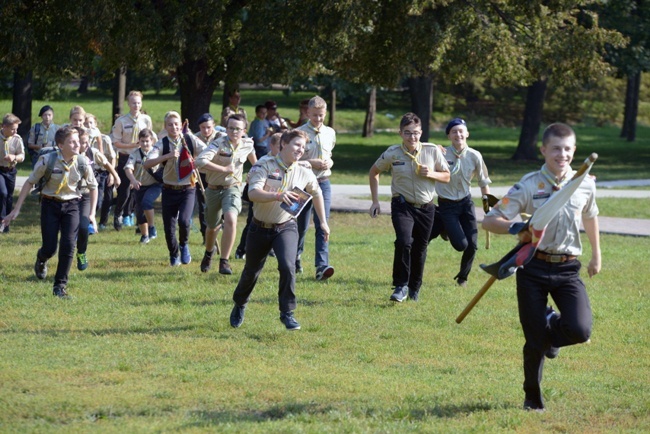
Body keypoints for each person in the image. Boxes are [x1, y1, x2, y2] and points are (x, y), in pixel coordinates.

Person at [482, 122, 600, 412]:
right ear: (543, 150)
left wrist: (597, 254)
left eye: (568, 149)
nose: (562, 154)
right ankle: (532, 397)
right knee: (534, 340)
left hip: (567, 268)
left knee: (581, 330)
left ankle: (551, 327)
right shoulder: (530, 184)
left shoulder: (585, 183)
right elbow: (489, 220)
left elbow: (590, 217)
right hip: (533, 268)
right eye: (556, 148)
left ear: (574, 151)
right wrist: (517, 228)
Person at [229, 130, 330, 331]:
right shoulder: (264, 165)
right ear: (283, 144)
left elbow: (317, 194)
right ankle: (240, 303)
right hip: (259, 227)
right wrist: (277, 196)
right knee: (251, 271)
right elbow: (253, 193)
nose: (300, 150)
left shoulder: (304, 170)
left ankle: (287, 313)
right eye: (296, 145)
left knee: (287, 266)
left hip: (286, 226)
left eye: (303, 147)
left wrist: (323, 222)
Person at [2, 126, 97, 298]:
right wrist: (16, 209)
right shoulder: (47, 160)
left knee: (68, 245)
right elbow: (29, 183)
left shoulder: (82, 162)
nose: (77, 145)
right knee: (50, 247)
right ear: (61, 145)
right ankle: (41, 258)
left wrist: (91, 215)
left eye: (78, 141)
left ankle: (59, 286)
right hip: (50, 205)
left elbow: (93, 187)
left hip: (72, 205)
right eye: (72, 142)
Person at [369, 112, 450, 302]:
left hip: (426, 207)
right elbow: (374, 172)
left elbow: (446, 177)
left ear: (421, 132)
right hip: (402, 205)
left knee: (420, 248)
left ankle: (415, 288)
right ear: (400, 133)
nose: (411, 137)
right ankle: (400, 286)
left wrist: (431, 173)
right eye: (407, 133)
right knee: (404, 241)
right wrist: (375, 201)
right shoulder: (392, 153)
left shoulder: (432, 151)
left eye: (415, 133)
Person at [429, 118, 491, 287]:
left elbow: (484, 183)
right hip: (446, 206)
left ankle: (463, 278)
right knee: (461, 245)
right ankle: (443, 226)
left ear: (467, 134)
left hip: (466, 203)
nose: (458, 134)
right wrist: (433, 148)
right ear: (449, 135)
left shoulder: (475, 155)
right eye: (454, 131)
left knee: (472, 245)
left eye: (461, 131)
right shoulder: (440, 154)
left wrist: (488, 210)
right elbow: (421, 156)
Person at [195, 114, 256, 274]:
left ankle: (224, 261)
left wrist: (255, 174)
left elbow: (256, 165)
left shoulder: (247, 144)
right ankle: (209, 253)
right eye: (230, 128)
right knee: (211, 227)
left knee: (230, 218)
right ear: (226, 128)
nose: (234, 131)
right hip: (213, 189)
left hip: (232, 188)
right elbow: (199, 161)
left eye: (237, 128)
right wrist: (224, 169)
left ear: (244, 130)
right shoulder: (218, 143)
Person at [144, 111, 205, 266]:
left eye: (176, 124)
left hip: (188, 188)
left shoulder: (189, 139)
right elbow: (147, 163)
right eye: (170, 124)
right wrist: (167, 156)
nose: (174, 127)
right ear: (165, 127)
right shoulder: (162, 143)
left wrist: (196, 160)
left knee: (184, 221)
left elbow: (207, 152)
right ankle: (173, 254)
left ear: (181, 125)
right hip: (169, 189)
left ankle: (184, 245)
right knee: (169, 226)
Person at [296, 96, 336, 280]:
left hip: (324, 183)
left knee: (322, 224)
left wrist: (330, 162)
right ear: (307, 113)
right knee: (301, 226)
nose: (318, 119)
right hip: (303, 185)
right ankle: (295, 256)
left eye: (321, 115)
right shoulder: (299, 133)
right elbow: (292, 161)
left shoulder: (330, 133)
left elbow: (330, 154)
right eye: (314, 115)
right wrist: (311, 162)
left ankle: (321, 266)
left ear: (325, 113)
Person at [75, 127, 120, 270]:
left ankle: (81, 253)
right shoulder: (67, 155)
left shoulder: (92, 153)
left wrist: (115, 176)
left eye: (87, 142)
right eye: (83, 142)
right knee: (68, 230)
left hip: (86, 195)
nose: (86, 145)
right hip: (68, 196)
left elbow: (106, 163)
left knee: (83, 227)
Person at [111, 90, 155, 231]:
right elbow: (116, 143)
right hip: (126, 157)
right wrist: (133, 145)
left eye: (138, 102)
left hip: (141, 158)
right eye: (133, 103)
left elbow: (149, 137)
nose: (136, 105)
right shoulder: (121, 121)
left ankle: (140, 222)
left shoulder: (146, 119)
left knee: (140, 189)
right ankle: (118, 214)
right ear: (128, 104)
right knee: (124, 191)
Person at [235, 132, 283, 259]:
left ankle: (271, 248)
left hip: (276, 200)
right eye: (279, 146)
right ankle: (241, 249)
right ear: (271, 146)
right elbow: (251, 179)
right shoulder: (263, 161)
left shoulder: (284, 163)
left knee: (276, 223)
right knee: (252, 222)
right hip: (260, 198)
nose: (281, 150)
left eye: (284, 146)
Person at [124, 129, 162, 244]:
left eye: (147, 141)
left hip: (154, 184)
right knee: (139, 212)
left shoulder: (157, 153)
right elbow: (128, 168)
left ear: (152, 141)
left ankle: (151, 227)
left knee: (147, 202)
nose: (145, 144)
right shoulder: (135, 154)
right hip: (139, 185)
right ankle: (145, 235)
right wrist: (133, 180)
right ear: (139, 142)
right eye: (142, 141)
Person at [194, 113, 226, 244]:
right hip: (202, 175)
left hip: (218, 174)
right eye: (203, 127)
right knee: (203, 206)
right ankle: (205, 236)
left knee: (220, 203)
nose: (206, 130)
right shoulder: (194, 138)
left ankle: (220, 227)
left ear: (214, 125)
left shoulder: (222, 137)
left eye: (208, 127)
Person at [85, 114, 117, 230]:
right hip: (91, 172)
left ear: (96, 124)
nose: (89, 126)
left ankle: (103, 222)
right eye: (86, 123)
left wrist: (112, 175)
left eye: (91, 123)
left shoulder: (104, 139)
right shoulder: (83, 139)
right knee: (96, 200)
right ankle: (88, 222)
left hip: (104, 171)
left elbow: (113, 157)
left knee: (107, 199)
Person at [0, 113, 25, 232]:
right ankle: (1, 220)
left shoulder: (17, 139)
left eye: (16, 129)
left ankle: (6, 224)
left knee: (9, 197)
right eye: (12, 129)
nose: (15, 131)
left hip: (10, 171)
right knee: (2, 193)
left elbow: (22, 156)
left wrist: (14, 157)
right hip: (0, 169)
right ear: (4, 126)